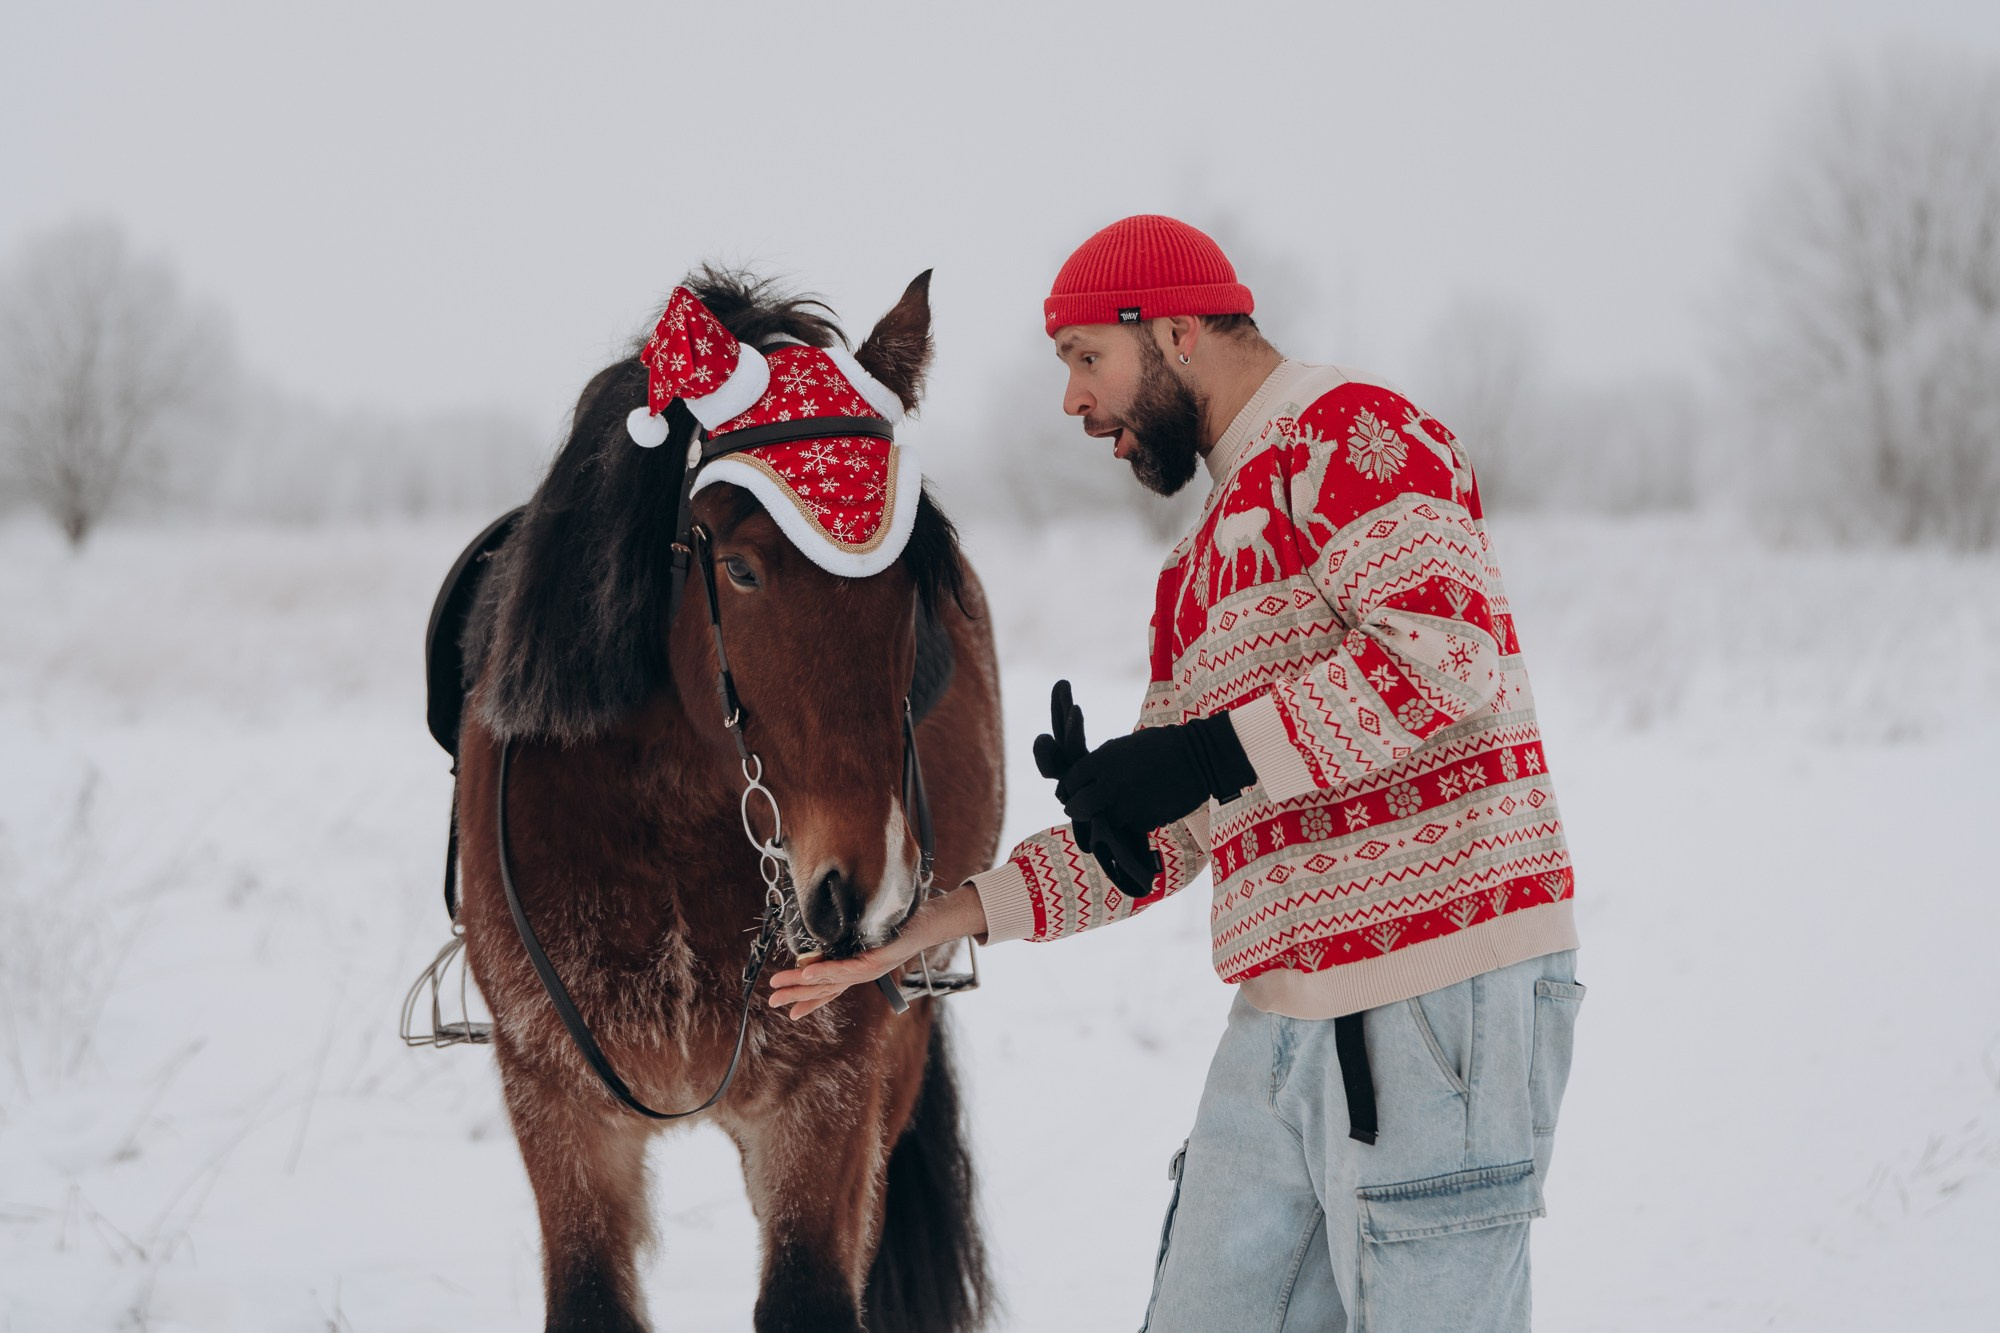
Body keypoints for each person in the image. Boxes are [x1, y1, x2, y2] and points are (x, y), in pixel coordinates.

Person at [770, 214, 1585, 1331]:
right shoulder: (1196, 564)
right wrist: (929, 923)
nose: (1072, 402)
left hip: (1436, 999)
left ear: (1177, 330)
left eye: (1084, 359)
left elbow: (1442, 657)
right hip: (1282, 1015)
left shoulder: (1351, 434)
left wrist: (1206, 750)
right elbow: (1162, 843)